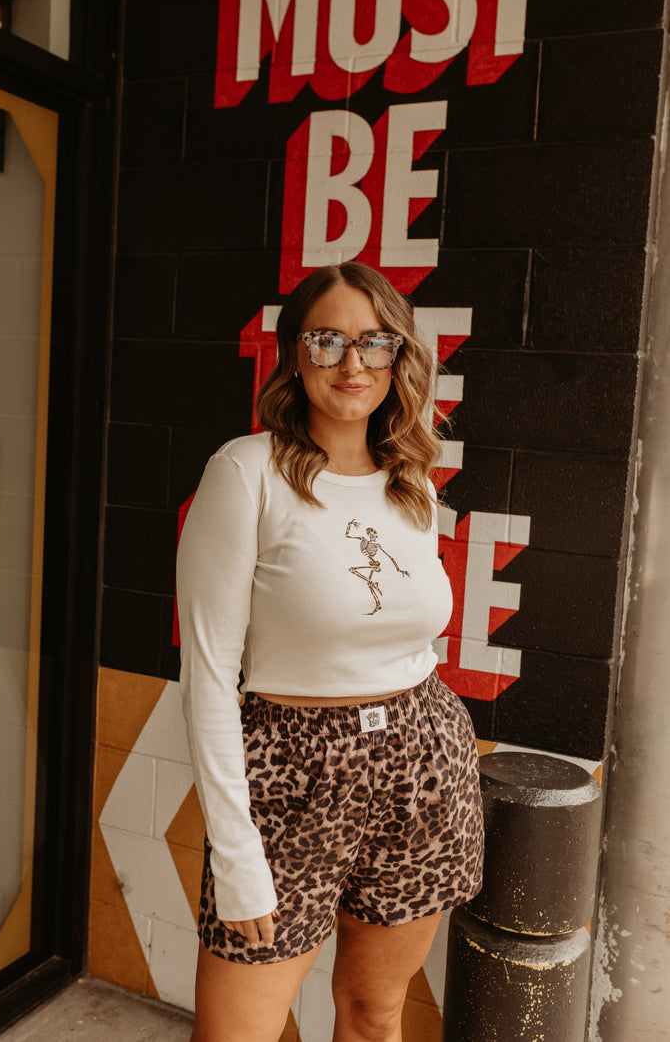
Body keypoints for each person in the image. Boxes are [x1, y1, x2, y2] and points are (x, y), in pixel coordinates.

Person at [177, 261, 484, 1042]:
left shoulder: (412, 479)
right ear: (294, 353)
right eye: (329, 340)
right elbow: (209, 675)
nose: (354, 364)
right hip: (291, 770)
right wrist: (235, 850)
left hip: (421, 761)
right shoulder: (245, 471)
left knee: (376, 1011)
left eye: (376, 343)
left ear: (399, 357)